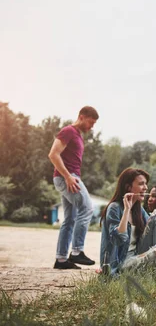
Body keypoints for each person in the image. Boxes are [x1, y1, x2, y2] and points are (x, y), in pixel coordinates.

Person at [48, 106, 99, 270]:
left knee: (70, 219)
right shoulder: (68, 131)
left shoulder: (77, 135)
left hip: (69, 177)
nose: (92, 127)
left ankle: (61, 259)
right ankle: (77, 251)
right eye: (91, 122)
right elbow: (53, 154)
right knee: (87, 208)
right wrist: (68, 176)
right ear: (82, 117)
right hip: (68, 178)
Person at [99, 168, 156, 276]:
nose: (145, 188)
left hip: (137, 255)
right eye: (141, 184)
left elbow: (153, 228)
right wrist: (126, 210)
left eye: (145, 184)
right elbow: (118, 239)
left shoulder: (138, 209)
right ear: (128, 187)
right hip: (122, 263)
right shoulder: (114, 208)